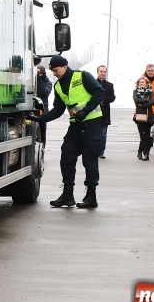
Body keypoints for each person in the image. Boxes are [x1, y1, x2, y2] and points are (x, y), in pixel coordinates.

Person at [31, 55, 105, 209]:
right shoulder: (58, 86)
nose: (54, 73)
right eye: (52, 71)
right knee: (66, 157)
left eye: (56, 70)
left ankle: (91, 196)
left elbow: (99, 92)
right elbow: (58, 110)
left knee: (89, 160)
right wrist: (40, 119)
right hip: (76, 126)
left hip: (92, 124)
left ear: (64, 66)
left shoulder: (82, 76)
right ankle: (67, 195)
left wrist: (86, 110)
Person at [132, 77, 154, 160]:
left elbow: (153, 102)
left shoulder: (150, 92)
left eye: (143, 82)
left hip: (149, 116)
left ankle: (139, 151)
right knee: (143, 135)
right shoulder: (135, 91)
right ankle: (146, 153)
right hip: (140, 116)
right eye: (140, 82)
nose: (141, 83)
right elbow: (136, 100)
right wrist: (146, 100)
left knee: (147, 136)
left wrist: (143, 104)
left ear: (147, 83)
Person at [96, 65, 116, 159]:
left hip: (105, 113)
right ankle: (93, 151)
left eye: (104, 72)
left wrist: (104, 100)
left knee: (103, 134)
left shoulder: (109, 85)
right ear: (98, 72)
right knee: (94, 134)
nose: (103, 73)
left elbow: (112, 97)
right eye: (101, 71)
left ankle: (101, 152)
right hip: (94, 112)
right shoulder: (93, 83)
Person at [36, 65, 53, 144]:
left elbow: (44, 93)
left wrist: (39, 79)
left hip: (42, 108)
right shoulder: (30, 80)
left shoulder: (47, 83)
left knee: (42, 131)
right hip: (32, 108)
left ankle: (42, 147)